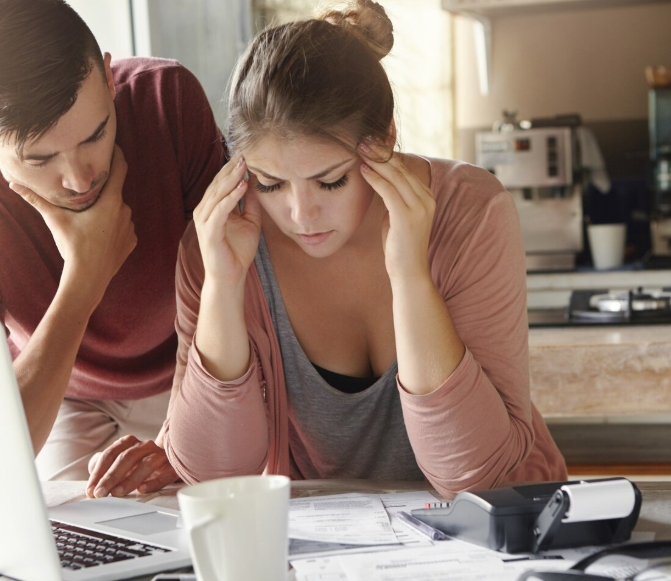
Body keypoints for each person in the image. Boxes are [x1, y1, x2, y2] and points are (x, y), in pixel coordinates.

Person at [87, 0, 567, 499]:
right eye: (270, 183)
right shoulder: (219, 242)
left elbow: (476, 477)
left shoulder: (470, 210)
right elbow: (214, 479)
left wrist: (409, 275)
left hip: (504, 538)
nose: (301, 215)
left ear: (385, 141)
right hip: (328, 551)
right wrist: (223, 287)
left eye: (331, 181)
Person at [0, 0, 224, 490]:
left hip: (196, 367)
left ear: (107, 75)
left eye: (96, 133)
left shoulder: (169, 101)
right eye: (40, 158)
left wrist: (179, 435)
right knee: (78, 542)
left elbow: (234, 293)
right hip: (62, 394)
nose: (80, 178)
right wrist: (85, 277)